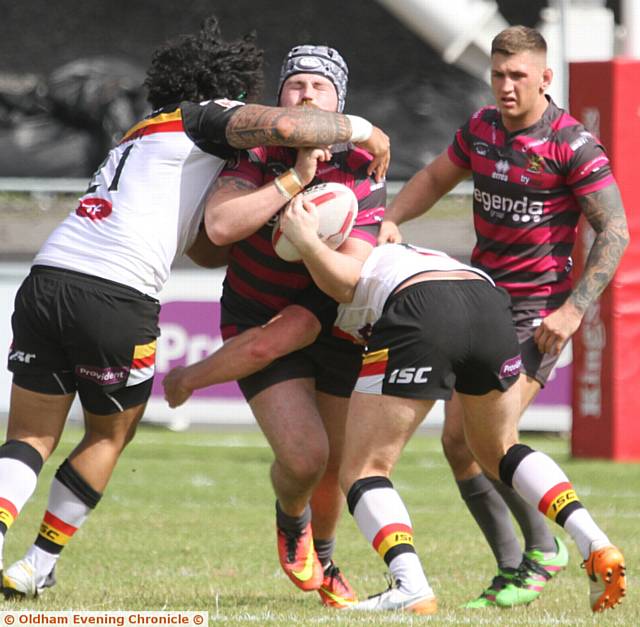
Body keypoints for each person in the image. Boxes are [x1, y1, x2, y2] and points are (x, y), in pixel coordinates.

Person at [0, 18, 390, 599]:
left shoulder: (139, 133)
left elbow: (207, 246)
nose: (298, 98)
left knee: (29, 437)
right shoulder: (213, 117)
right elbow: (282, 128)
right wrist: (364, 130)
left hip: (49, 276)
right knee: (109, 437)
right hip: (117, 293)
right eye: (291, 85)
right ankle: (35, 563)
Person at [377, 25, 630, 608]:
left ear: (545, 77)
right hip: (480, 302)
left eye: (518, 76)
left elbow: (614, 230)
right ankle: (522, 560)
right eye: (498, 75)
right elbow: (438, 176)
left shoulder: (573, 145)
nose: (506, 86)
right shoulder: (482, 130)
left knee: (489, 440)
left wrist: (572, 311)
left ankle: (543, 553)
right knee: (458, 444)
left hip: (538, 311)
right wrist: (395, 219)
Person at [278, 197, 627, 614]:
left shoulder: (347, 259)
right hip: (488, 301)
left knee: (363, 468)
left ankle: (410, 586)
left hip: (423, 307)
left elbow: (346, 283)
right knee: (499, 449)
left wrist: (305, 242)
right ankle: (595, 542)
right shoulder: (403, 251)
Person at [198, 44, 387, 608]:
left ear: (340, 102)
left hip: (333, 319)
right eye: (296, 85)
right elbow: (219, 224)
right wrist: (293, 180)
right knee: (304, 458)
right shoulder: (256, 148)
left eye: (319, 87)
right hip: (256, 312)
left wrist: (307, 241)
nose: (306, 95)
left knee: (334, 464)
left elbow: (349, 279)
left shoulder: (361, 167)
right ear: (279, 96)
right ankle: (291, 522)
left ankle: (325, 559)